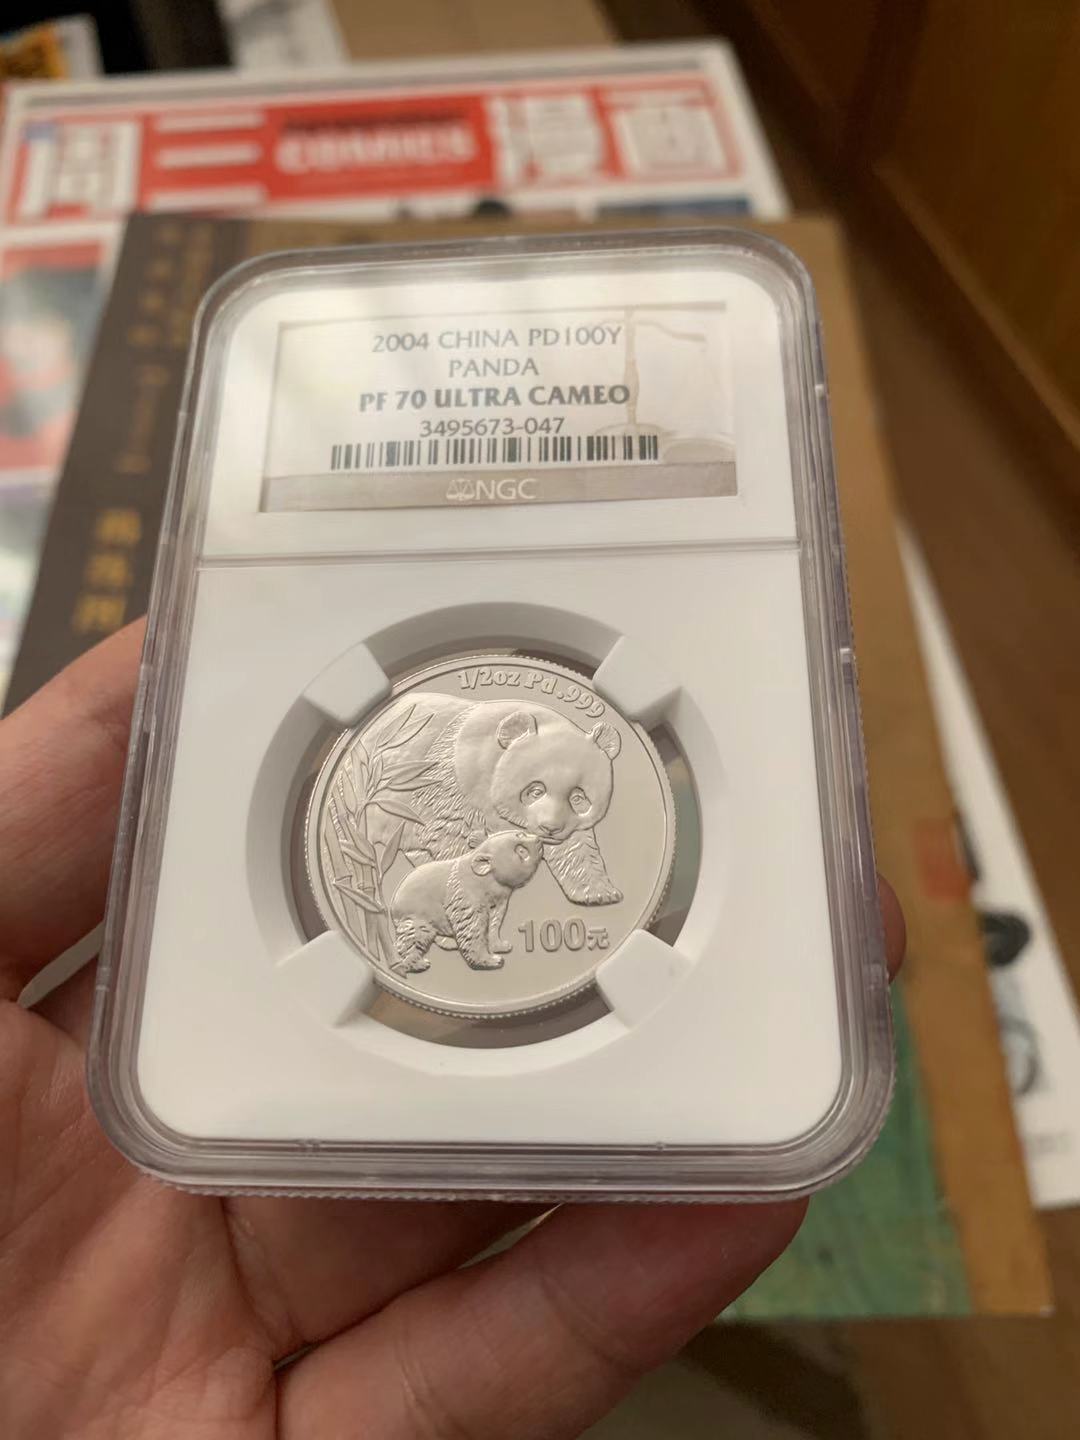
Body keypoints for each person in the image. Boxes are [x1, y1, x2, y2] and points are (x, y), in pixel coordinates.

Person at [0, 623, 904, 1438]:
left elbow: (572, 855)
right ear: (505, 752)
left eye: (575, 803)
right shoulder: (438, 764)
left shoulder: (553, 783)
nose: (551, 819)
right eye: (538, 797)